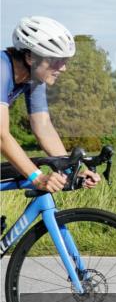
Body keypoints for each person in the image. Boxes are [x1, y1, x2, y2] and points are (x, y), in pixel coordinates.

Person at [0, 16, 101, 193]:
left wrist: (72, 171)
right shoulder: (1, 69)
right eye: (55, 60)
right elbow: (1, 135)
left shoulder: (34, 80)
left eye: (64, 60)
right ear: (30, 57)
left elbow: (43, 128)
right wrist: (37, 177)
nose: (63, 68)